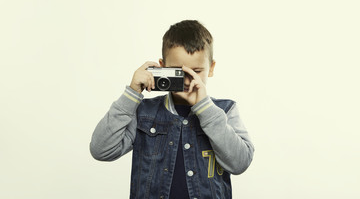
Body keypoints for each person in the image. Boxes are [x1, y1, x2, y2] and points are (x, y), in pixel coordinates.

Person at [90, 20, 255, 199]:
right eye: (178, 71)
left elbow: (240, 163)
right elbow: (101, 150)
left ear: (211, 68)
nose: (187, 79)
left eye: (196, 71)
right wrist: (131, 94)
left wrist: (205, 108)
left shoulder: (225, 110)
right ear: (161, 67)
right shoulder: (144, 112)